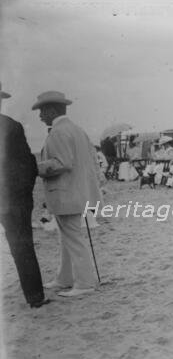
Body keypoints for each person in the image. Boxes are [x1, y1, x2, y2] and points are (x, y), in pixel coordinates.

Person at [33, 90, 101, 297]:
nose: (40, 116)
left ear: (52, 110)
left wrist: (34, 168)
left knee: (73, 238)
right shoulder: (77, 130)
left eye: (42, 111)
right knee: (68, 237)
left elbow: (62, 163)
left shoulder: (58, 132)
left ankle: (85, 283)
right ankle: (65, 278)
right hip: (79, 192)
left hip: (66, 194)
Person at [0, 82, 48, 308]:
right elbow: (28, 164)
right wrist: (23, 196)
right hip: (13, 200)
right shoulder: (11, 126)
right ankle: (35, 297)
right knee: (22, 247)